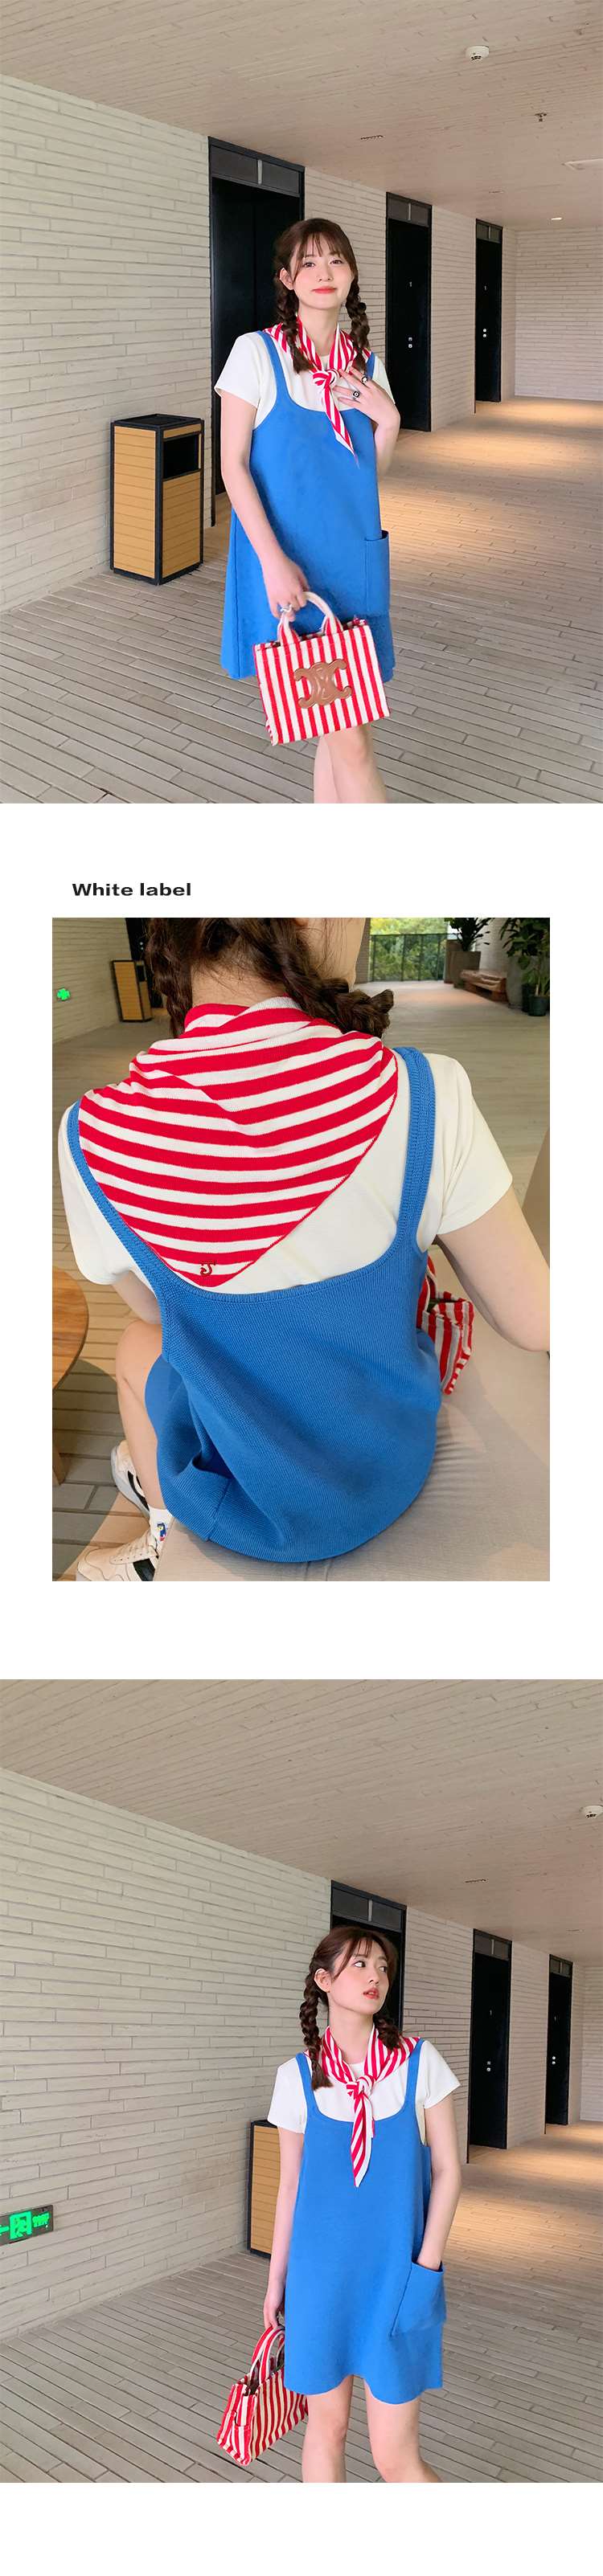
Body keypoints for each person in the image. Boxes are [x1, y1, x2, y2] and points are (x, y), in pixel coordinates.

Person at [59, 915, 550, 1582]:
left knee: (136, 1346)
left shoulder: (89, 1133)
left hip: (246, 1511)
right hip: (393, 1473)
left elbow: (157, 1317)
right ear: (317, 916)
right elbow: (534, 1320)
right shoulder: (428, 1089)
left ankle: (163, 1532)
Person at [265, 1925, 462, 2483]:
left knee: (394, 2456)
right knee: (325, 2432)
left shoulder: (420, 2062)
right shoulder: (296, 2076)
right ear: (324, 1981)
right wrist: (277, 2282)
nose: (375, 1976)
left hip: (399, 2278)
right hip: (320, 2281)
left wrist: (426, 2267)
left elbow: (449, 2172)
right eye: (359, 1964)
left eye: (382, 1966)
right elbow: (290, 2187)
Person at [216, 219, 400, 804]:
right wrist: (272, 563)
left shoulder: (365, 366)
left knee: (334, 723)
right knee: (353, 739)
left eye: (336, 261)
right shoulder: (256, 354)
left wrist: (389, 419)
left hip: (351, 559)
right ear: (286, 278)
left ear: (352, 276)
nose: (324, 273)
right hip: (288, 562)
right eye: (310, 262)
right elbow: (232, 467)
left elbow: (369, 475)